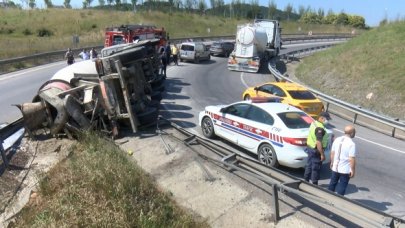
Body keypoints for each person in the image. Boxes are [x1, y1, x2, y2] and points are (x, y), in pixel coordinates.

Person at [304, 111, 331, 185]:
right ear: (321, 118)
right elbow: (319, 142)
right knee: (316, 168)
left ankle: (305, 181)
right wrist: (322, 154)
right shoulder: (320, 128)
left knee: (309, 165)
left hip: (310, 147)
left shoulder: (314, 123)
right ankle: (314, 184)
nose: (327, 121)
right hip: (316, 150)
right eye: (327, 119)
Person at [328, 125, 356, 195]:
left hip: (335, 167)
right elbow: (351, 158)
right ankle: (339, 200)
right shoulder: (351, 144)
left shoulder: (337, 140)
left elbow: (332, 152)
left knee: (332, 183)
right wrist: (352, 170)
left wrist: (332, 162)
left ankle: (328, 197)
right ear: (352, 133)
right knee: (342, 186)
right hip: (345, 170)